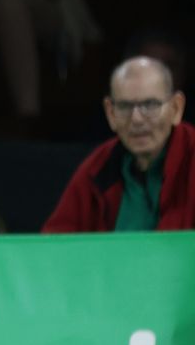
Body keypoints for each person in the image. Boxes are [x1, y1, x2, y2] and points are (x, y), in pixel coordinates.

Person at [43, 56, 194, 231]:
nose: (136, 119)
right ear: (110, 113)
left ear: (176, 108)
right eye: (124, 106)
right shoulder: (98, 168)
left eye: (150, 105)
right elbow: (56, 243)